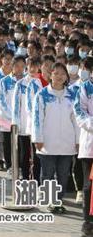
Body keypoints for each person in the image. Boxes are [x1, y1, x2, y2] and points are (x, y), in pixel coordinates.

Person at [32, 62, 79, 214]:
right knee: (47, 173)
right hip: (47, 142)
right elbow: (37, 118)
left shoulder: (72, 95)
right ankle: (49, 199)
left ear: (66, 77)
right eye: (56, 73)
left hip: (67, 143)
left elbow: (76, 121)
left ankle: (57, 200)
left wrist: (78, 141)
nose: (59, 76)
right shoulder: (42, 95)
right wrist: (37, 138)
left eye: (62, 74)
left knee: (63, 174)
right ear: (50, 74)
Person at [73, 57, 93, 235]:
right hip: (90, 144)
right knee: (89, 185)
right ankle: (87, 222)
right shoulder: (85, 87)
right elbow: (79, 113)